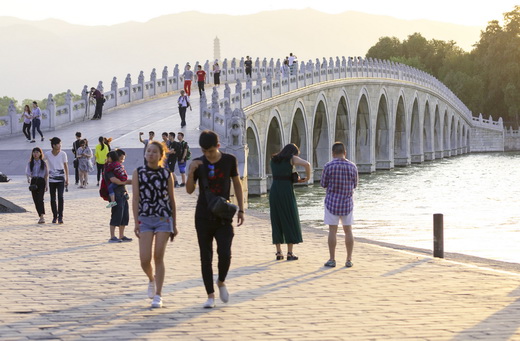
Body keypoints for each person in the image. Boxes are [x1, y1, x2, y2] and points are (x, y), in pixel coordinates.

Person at [186, 130, 245, 309]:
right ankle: (210, 295)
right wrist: (191, 172)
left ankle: (221, 281)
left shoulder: (229, 160)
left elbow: (237, 183)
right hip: (203, 215)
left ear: (218, 146)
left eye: (210, 151)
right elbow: (189, 190)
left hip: (223, 216)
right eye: (204, 151)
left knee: (225, 253)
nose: (207, 155)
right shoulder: (198, 162)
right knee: (206, 257)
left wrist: (241, 209)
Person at [132, 141, 177, 308]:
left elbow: (172, 200)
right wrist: (136, 221)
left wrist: (174, 223)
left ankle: (158, 294)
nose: (151, 154)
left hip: (163, 218)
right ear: (145, 154)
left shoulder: (166, 174)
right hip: (145, 218)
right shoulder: (138, 172)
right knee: (144, 259)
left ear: (161, 155)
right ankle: (151, 279)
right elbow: (136, 198)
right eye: (148, 151)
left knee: (158, 255)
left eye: (154, 152)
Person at [269, 143, 311, 261]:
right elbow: (307, 164)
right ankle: (290, 253)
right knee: (289, 218)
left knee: (276, 219)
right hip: (286, 190)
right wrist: (307, 178)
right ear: (293, 152)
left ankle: (278, 252)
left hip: (275, 190)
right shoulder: (291, 158)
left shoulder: (274, 159)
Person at [321, 142, 358, 268]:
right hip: (347, 203)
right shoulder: (352, 166)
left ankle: (332, 259)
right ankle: (348, 259)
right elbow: (355, 184)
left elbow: (323, 184)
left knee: (332, 230)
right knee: (348, 231)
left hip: (332, 202)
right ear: (345, 152)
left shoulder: (328, 166)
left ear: (333, 153)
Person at [105, 149, 133, 243]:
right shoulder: (109, 169)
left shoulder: (118, 167)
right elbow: (114, 181)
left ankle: (121, 235)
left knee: (124, 215)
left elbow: (122, 181)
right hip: (116, 194)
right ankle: (112, 236)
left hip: (123, 193)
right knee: (116, 214)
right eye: (120, 158)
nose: (121, 160)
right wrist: (130, 182)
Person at [45, 137, 68, 224]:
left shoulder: (63, 154)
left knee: (60, 197)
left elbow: (66, 166)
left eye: (60, 144)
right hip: (51, 179)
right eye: (58, 144)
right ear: (54, 145)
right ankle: (54, 216)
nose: (60, 145)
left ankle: (60, 216)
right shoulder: (47, 154)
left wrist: (67, 178)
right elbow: (42, 161)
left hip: (61, 179)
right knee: (52, 198)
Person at [26, 147, 48, 224]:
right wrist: (28, 178)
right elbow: (27, 172)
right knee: (35, 199)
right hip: (34, 181)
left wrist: (46, 185)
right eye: (34, 152)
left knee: (40, 198)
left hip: (41, 181)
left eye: (37, 152)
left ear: (40, 153)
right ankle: (40, 215)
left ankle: (42, 217)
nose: (35, 154)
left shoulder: (43, 163)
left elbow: (46, 175)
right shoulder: (30, 163)